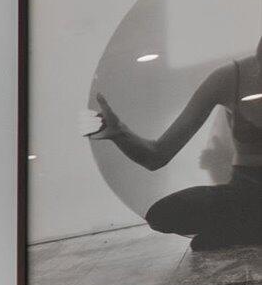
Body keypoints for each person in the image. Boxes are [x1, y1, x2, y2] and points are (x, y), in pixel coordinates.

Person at [90, 41, 262, 253]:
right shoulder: (228, 79)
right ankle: (248, 228)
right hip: (243, 193)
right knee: (164, 214)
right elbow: (156, 156)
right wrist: (120, 133)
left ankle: (240, 229)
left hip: (244, 202)